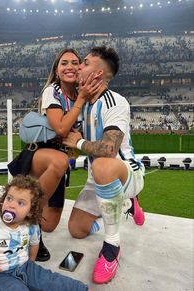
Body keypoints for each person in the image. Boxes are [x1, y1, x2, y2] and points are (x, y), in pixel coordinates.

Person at [8, 48, 102, 261]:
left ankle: (24, 211)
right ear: (57, 71)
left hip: (60, 159)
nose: (69, 66)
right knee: (59, 161)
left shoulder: (82, 94)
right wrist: (81, 100)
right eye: (64, 63)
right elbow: (60, 129)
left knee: (50, 225)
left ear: (80, 68)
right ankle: (29, 229)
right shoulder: (53, 90)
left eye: (75, 62)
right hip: (39, 154)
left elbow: (76, 139)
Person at [63, 46, 145, 284]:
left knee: (102, 165)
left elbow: (109, 149)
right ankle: (123, 204)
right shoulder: (82, 104)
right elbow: (71, 146)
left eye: (85, 63)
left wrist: (77, 141)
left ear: (98, 74)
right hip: (95, 178)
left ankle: (112, 246)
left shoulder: (115, 102)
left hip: (124, 171)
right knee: (76, 229)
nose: (79, 66)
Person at [0, 175, 90, 291]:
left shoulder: (31, 226)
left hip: (24, 268)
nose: (11, 205)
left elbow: (34, 244)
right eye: (9, 198)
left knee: (52, 281)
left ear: (31, 211)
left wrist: (30, 263)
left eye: (20, 203)